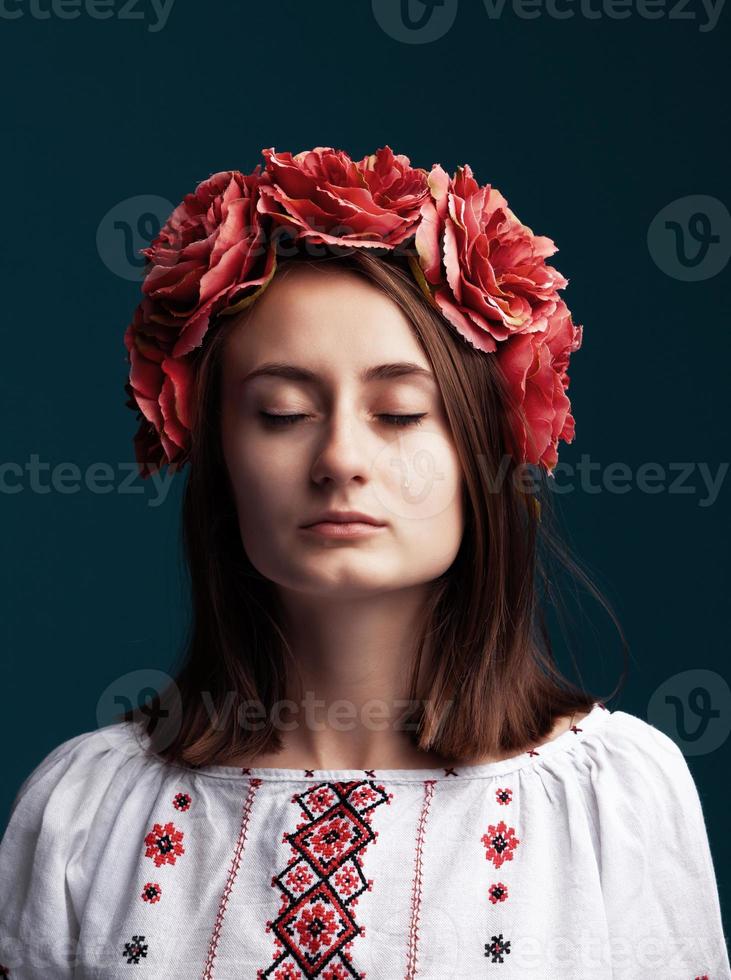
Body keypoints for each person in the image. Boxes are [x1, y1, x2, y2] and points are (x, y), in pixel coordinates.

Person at [0, 147, 728, 979]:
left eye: (398, 411)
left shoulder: (612, 801)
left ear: (485, 450)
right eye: (282, 412)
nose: (341, 456)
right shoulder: (89, 813)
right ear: (215, 455)